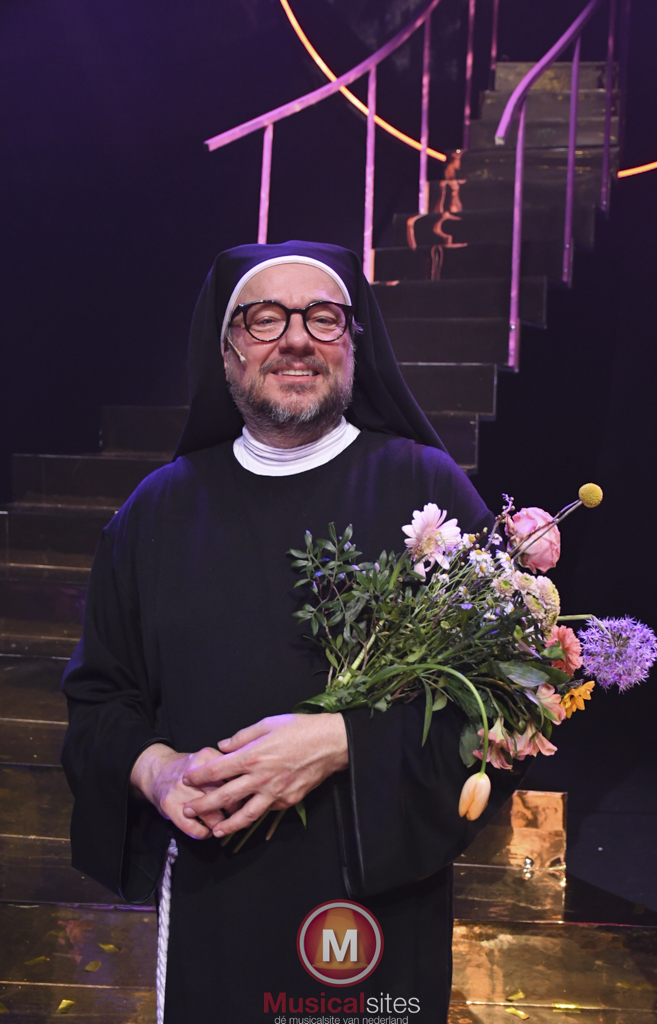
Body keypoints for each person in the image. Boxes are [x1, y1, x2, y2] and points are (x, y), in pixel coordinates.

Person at [61, 241, 507, 1024]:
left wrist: (345, 741)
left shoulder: (425, 487)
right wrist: (155, 770)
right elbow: (100, 701)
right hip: (214, 904)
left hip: (374, 907)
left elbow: (502, 703)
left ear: (354, 345)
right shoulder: (156, 511)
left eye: (322, 318)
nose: (295, 338)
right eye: (263, 319)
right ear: (224, 350)